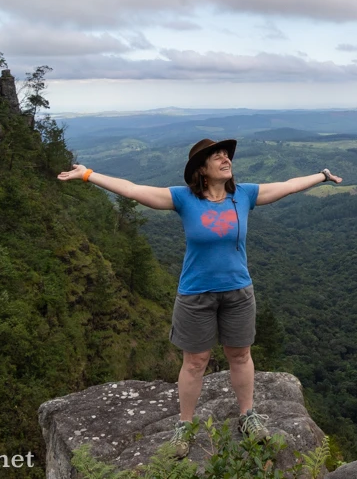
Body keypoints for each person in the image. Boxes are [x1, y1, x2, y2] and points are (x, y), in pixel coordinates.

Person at [57, 138, 342, 457]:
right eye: (216, 155)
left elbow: (288, 185)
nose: (225, 158)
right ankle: (185, 426)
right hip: (195, 295)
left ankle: (247, 416)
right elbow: (133, 189)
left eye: (226, 154)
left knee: (240, 355)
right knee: (195, 362)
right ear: (201, 170)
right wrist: (88, 174)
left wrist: (322, 175)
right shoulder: (184, 199)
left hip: (238, 292)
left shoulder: (243, 195)